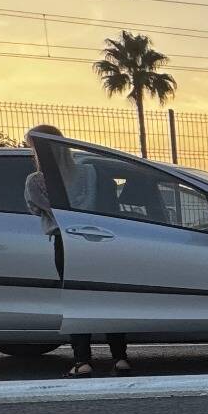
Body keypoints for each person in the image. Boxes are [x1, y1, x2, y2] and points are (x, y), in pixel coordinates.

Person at [22, 125, 134, 377]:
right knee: (108, 296)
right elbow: (109, 204)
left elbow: (35, 209)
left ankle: (82, 361)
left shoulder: (36, 181)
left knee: (76, 299)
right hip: (98, 239)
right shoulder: (89, 172)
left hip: (66, 241)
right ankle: (120, 358)